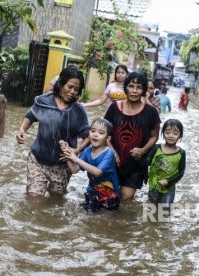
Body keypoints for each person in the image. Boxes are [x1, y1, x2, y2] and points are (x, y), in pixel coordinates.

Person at [16, 66, 90, 197]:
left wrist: (76, 151)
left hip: (62, 165)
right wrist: (22, 129)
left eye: (77, 89)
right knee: (34, 198)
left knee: (56, 200)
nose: (73, 92)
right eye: (70, 87)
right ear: (60, 84)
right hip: (38, 160)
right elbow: (30, 116)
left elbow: (88, 136)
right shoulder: (43, 101)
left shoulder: (79, 111)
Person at [104, 71, 161, 202]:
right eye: (131, 86)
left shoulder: (150, 112)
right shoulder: (114, 108)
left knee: (126, 197)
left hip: (135, 163)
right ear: (125, 88)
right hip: (112, 160)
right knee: (108, 197)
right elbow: (104, 132)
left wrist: (142, 151)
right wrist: (112, 151)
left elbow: (154, 136)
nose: (134, 91)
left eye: (139, 87)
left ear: (144, 91)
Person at [59, 118, 120, 212]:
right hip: (93, 191)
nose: (95, 134)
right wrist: (67, 153)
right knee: (89, 216)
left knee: (107, 220)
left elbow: (98, 172)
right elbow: (74, 170)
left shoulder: (109, 153)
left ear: (107, 138)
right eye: (93, 131)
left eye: (101, 132)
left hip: (110, 195)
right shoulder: (87, 151)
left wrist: (75, 158)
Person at [147, 119, 186, 205]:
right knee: (152, 208)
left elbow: (181, 172)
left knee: (165, 209)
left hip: (169, 187)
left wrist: (168, 181)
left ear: (180, 136)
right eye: (168, 133)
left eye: (175, 133)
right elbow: (147, 162)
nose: (171, 136)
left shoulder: (181, 153)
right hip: (154, 185)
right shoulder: (156, 148)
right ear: (163, 134)